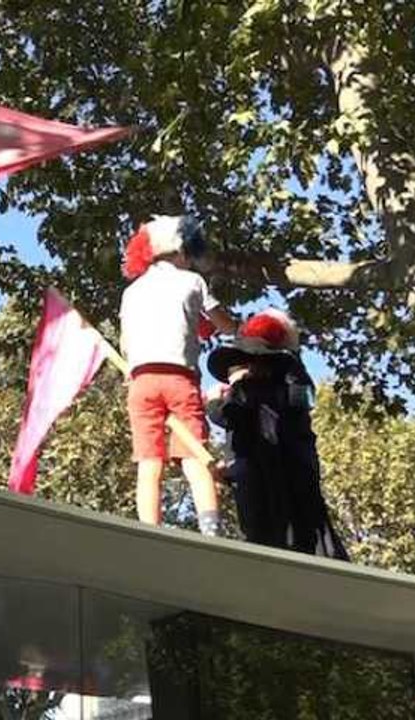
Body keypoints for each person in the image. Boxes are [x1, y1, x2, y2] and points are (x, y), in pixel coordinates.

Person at [119, 215, 237, 536]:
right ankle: (210, 530)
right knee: (194, 457)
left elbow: (126, 343)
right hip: (180, 380)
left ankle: (149, 534)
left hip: (140, 381)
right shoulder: (192, 281)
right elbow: (221, 322)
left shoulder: (132, 292)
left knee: (149, 462)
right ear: (181, 251)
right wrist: (240, 332)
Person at [204, 310, 349, 559]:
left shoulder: (249, 392)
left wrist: (215, 403)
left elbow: (231, 420)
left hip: (266, 494)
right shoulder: (295, 394)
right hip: (299, 487)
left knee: (266, 542)